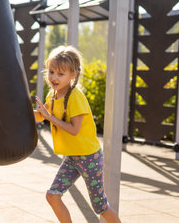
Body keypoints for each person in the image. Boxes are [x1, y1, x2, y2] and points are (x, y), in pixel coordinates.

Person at [34, 45, 121, 223]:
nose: (54, 77)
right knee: (52, 195)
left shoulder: (76, 96)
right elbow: (41, 118)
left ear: (73, 74)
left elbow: (74, 130)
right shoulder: (53, 94)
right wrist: (20, 111)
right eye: (51, 72)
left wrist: (49, 116)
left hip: (89, 157)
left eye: (60, 74)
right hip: (73, 157)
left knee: (100, 206)